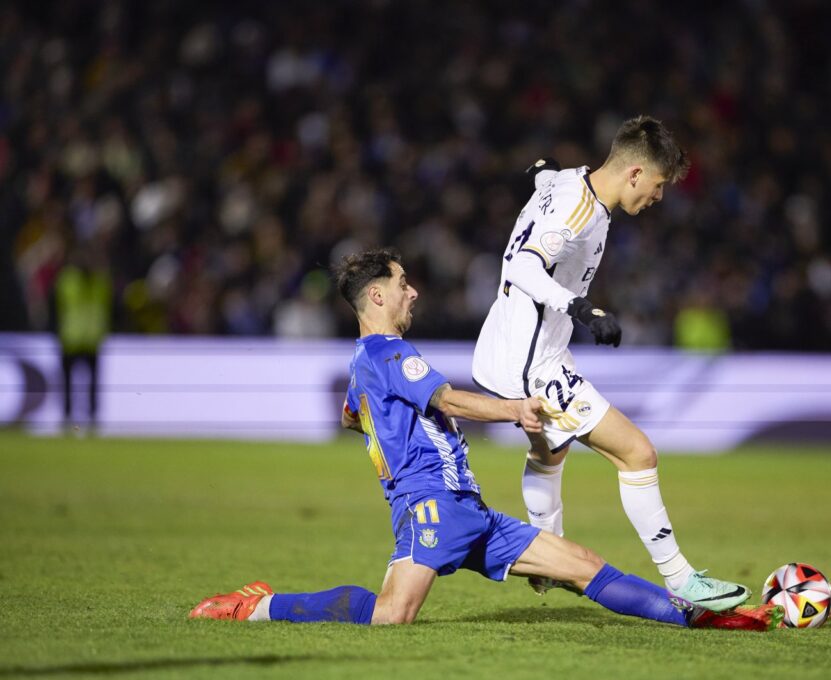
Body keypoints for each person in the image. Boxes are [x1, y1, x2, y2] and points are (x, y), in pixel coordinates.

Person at [190, 249, 781, 631]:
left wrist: (381, 433)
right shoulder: (386, 350)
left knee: (582, 565)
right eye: (402, 284)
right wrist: (514, 408)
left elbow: (351, 416)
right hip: (433, 507)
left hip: (469, 511)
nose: (413, 293)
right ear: (376, 296)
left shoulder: (363, 363)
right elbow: (447, 399)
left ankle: (703, 620)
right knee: (392, 616)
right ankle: (261, 605)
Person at [471, 116, 749, 609]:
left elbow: (542, 176)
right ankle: (682, 579)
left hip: (509, 345)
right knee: (637, 454)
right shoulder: (578, 210)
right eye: (658, 186)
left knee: (547, 453)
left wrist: (541, 170)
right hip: (533, 360)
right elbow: (524, 264)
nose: (658, 198)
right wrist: (580, 307)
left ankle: (546, 557)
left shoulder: (567, 182)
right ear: (636, 173)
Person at [54, 246, 113, 430]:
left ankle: (93, 417)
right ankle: (66, 416)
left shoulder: (99, 281)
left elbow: (108, 307)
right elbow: (56, 308)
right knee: (68, 382)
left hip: (91, 339)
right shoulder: (69, 280)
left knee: (93, 383)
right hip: (71, 339)